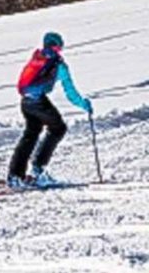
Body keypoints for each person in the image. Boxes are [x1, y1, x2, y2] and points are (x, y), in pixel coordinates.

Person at [8, 31, 92, 188]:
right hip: (39, 101)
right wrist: (83, 104)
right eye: (60, 48)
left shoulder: (37, 58)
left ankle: (15, 175)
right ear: (57, 47)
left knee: (31, 133)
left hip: (26, 101)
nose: (60, 51)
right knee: (58, 128)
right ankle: (38, 169)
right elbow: (70, 91)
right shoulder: (58, 65)